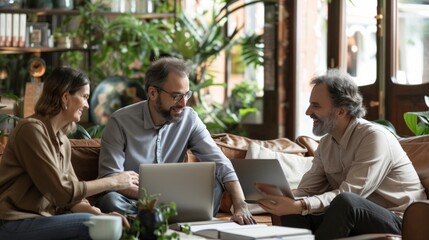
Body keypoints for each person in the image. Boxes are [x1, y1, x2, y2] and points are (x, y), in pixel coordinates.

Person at [256, 69, 427, 239]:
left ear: (341, 111)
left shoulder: (374, 138)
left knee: (346, 201)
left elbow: (352, 194)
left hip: (401, 221)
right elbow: (307, 190)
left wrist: (300, 205)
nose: (308, 112)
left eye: (316, 105)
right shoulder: (325, 144)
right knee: (289, 209)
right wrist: (280, 195)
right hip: (355, 215)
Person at [96, 57, 255, 224]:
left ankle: (160, 222)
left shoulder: (190, 119)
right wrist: (158, 199)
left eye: (186, 95)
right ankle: (171, 221)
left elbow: (221, 163)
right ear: (152, 93)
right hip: (136, 202)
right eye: (176, 96)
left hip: (176, 203)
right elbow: (111, 178)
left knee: (214, 184)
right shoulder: (120, 122)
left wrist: (240, 204)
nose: (183, 103)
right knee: (110, 200)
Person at [0, 66, 139, 240]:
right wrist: (114, 181)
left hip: (41, 220)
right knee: (90, 225)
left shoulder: (62, 140)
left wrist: (100, 215)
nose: (88, 105)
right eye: (84, 96)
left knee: (103, 224)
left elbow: (72, 199)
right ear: (65, 97)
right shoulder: (31, 130)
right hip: (12, 222)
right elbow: (62, 192)